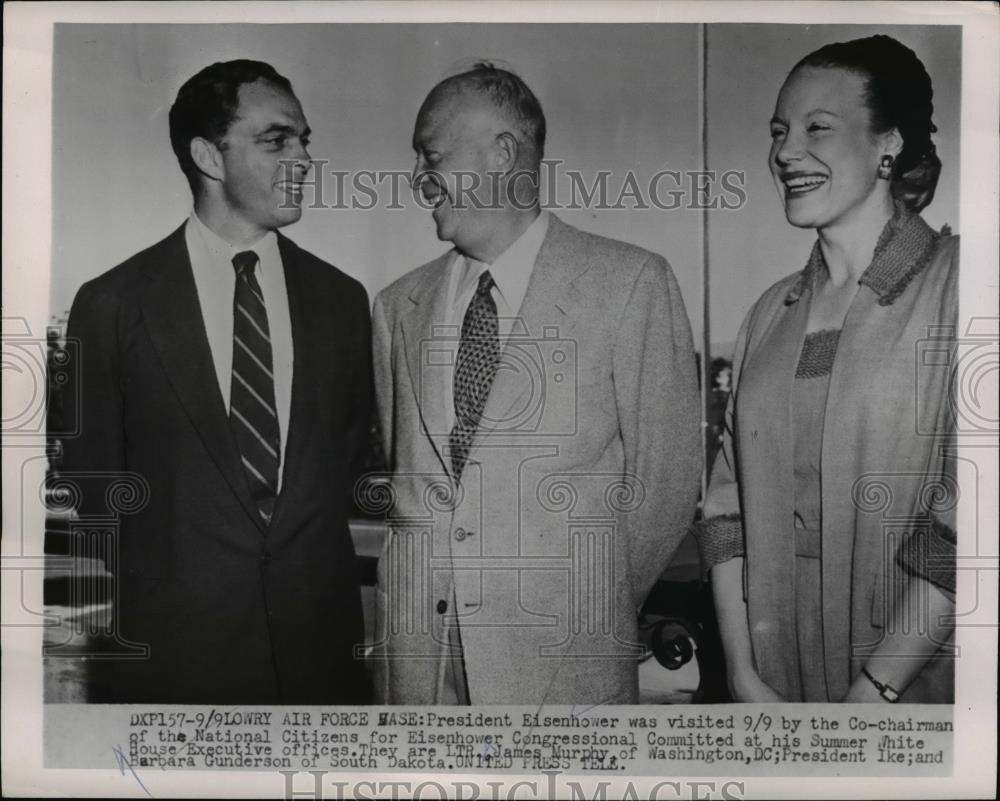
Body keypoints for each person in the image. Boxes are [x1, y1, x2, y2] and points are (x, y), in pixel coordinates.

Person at [368, 63, 701, 704]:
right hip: (417, 670)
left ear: (502, 154)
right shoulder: (395, 306)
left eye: (430, 155)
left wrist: (585, 611)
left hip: (564, 668)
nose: (416, 180)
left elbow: (666, 484)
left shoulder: (630, 283)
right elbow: (405, 476)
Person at [61, 60, 373, 703]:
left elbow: (342, 465)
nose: (305, 159)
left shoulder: (343, 301)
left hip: (320, 663)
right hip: (176, 667)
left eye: (305, 139)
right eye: (276, 140)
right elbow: (96, 491)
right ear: (208, 155)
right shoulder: (112, 303)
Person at [696, 35, 957, 703]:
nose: (785, 152)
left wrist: (876, 690)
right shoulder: (766, 315)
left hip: (913, 691)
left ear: (887, 146)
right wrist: (744, 672)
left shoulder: (963, 289)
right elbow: (725, 514)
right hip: (772, 689)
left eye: (818, 128)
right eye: (780, 132)